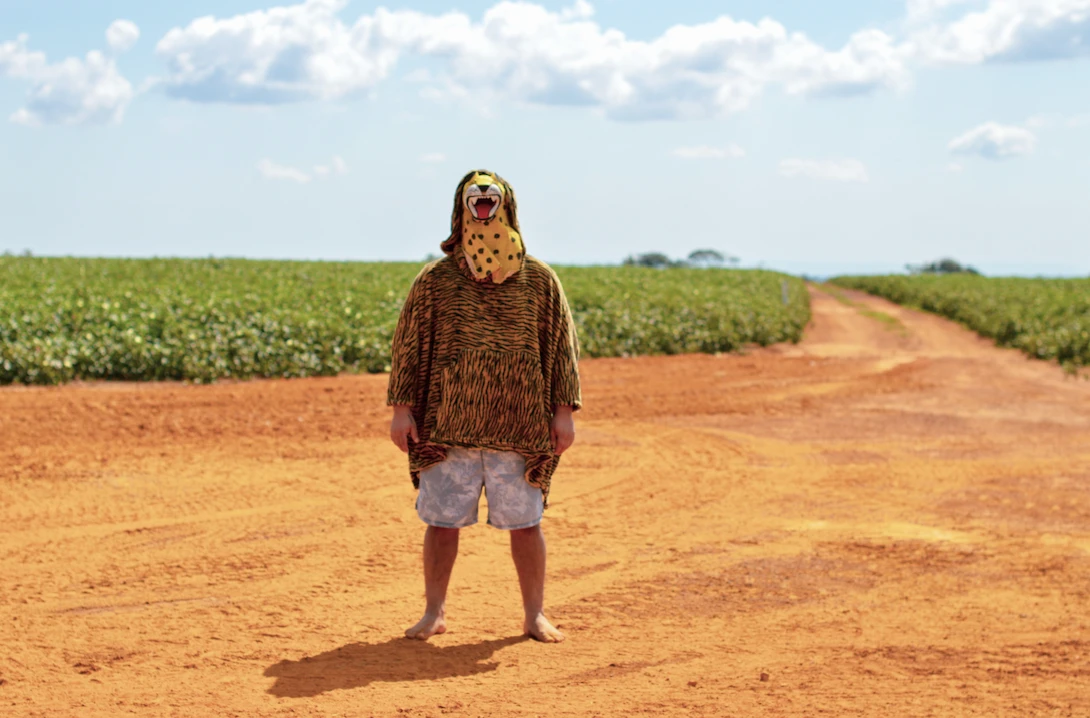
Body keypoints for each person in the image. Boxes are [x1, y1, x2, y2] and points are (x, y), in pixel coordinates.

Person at [387, 169, 582, 643]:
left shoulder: (539, 280)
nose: (483, 201)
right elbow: (408, 344)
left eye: (490, 196)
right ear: (461, 207)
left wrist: (563, 412)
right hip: (445, 424)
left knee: (526, 523)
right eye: (474, 196)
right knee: (441, 522)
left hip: (520, 424)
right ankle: (434, 612)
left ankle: (534, 614)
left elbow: (560, 346)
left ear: (505, 205)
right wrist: (400, 408)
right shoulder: (434, 281)